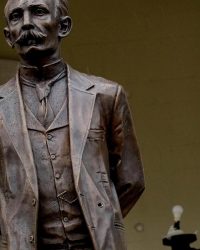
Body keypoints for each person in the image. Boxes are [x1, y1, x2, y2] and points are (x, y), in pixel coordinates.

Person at [1, 0, 145, 249]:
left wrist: (100, 215)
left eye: (38, 12)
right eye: (16, 16)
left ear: (64, 26)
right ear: (8, 36)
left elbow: (131, 180)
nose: (26, 24)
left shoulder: (106, 95)